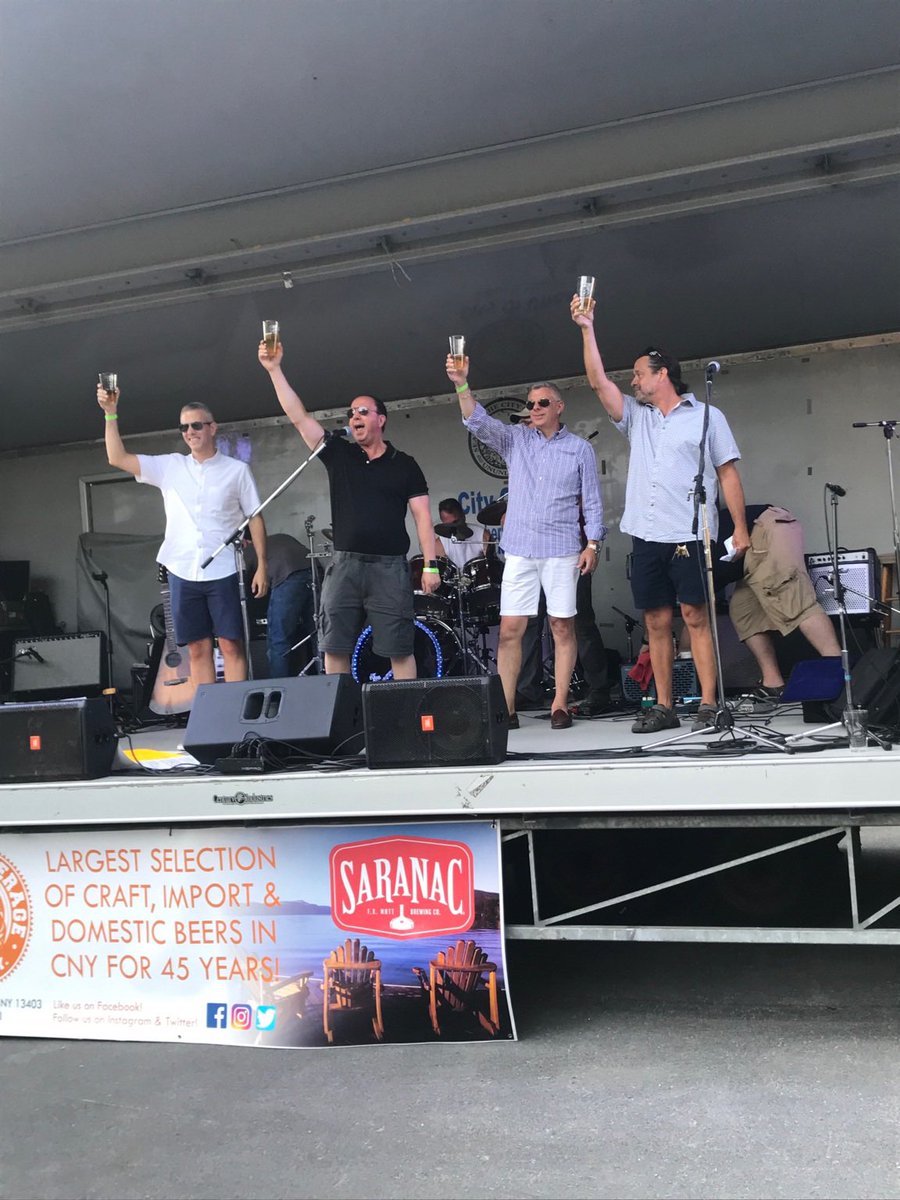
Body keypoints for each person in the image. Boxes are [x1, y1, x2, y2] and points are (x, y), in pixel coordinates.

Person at [572, 295, 750, 734]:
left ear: (662, 373)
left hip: (690, 531)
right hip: (647, 533)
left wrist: (740, 528)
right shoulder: (638, 417)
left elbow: (727, 473)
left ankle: (708, 703)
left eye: (639, 374)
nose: (633, 381)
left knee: (695, 617)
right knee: (655, 621)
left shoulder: (707, 416)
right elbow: (597, 383)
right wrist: (587, 328)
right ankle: (664, 706)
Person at [258, 338, 438, 678]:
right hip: (345, 565)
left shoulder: (404, 464)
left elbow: (423, 517)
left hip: (389, 568)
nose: (354, 416)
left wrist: (430, 565)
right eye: (351, 412)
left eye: (363, 411)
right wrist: (274, 370)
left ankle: (405, 709)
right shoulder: (339, 454)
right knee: (334, 645)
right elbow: (299, 418)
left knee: (399, 647)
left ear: (381, 419)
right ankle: (340, 709)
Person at [447, 353, 605, 730]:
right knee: (510, 630)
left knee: (562, 626)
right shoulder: (515, 439)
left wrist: (593, 544)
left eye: (542, 402)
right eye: (531, 403)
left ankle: (560, 703)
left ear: (559, 407)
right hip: (520, 549)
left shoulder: (579, 448)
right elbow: (477, 420)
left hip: (562, 548)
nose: (534, 408)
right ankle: (507, 708)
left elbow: (593, 501)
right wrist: (461, 383)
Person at [96, 385, 267, 686]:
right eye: (184, 427)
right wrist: (110, 413)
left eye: (196, 425)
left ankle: (235, 706)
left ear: (212, 428)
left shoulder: (236, 470)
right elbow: (117, 457)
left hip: (225, 567)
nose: (190, 432)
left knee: (231, 645)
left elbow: (255, 516)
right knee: (197, 648)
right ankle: (207, 710)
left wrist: (262, 565)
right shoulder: (170, 465)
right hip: (182, 568)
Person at [716, 503, 841, 711]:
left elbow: (695, 609)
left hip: (764, 528)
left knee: (795, 601)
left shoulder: (683, 557)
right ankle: (773, 684)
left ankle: (840, 672)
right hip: (755, 544)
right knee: (743, 610)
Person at [242, 530, 315, 677]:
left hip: (288, 576)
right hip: (314, 570)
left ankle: (278, 685)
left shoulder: (249, 550)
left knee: (278, 640)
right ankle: (324, 678)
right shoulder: (281, 536)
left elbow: (244, 585)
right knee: (318, 632)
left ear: (244, 542)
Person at [434, 497, 490, 572]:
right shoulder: (440, 543)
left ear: (463, 516)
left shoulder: (482, 534)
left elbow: (491, 564)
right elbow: (436, 570)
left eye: (455, 522)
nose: (453, 527)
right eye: (448, 525)